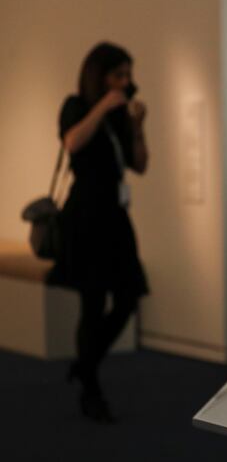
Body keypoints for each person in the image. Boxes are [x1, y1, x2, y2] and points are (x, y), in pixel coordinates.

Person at [47, 42, 149, 422]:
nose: (126, 82)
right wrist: (103, 107)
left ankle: (85, 364)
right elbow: (72, 142)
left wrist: (138, 127)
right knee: (92, 304)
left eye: (128, 74)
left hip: (115, 217)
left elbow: (139, 165)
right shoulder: (76, 106)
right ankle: (91, 389)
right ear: (99, 76)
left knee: (127, 297)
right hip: (85, 218)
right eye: (119, 74)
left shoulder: (121, 116)